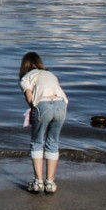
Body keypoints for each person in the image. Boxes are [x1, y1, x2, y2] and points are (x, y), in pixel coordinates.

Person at [19, 51, 68, 194]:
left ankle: (38, 182)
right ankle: (50, 183)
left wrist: (33, 111)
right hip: (61, 105)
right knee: (53, 142)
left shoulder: (26, 77)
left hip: (43, 105)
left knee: (37, 142)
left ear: (24, 66)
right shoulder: (50, 74)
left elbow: (30, 98)